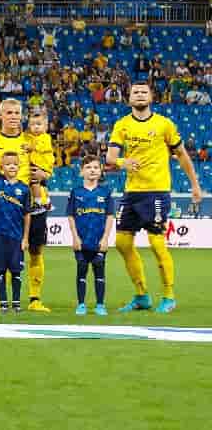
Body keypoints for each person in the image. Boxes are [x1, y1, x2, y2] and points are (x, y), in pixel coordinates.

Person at [107, 81, 202, 314]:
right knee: (122, 243)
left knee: (157, 244)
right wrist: (123, 162)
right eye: (135, 92)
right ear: (129, 98)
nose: (139, 95)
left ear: (151, 97)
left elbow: (182, 154)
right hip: (131, 192)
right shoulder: (122, 125)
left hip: (157, 191)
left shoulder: (164, 124)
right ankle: (142, 295)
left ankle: (169, 296)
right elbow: (110, 158)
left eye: (144, 92)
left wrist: (195, 184)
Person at [0, 99, 49, 312]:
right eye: (9, 113)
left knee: (35, 250)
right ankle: (3, 299)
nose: (14, 117)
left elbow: (46, 167)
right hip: (6, 210)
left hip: (32, 204)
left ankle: (35, 299)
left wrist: (44, 174)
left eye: (17, 113)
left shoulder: (31, 139)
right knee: (6, 254)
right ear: (1, 116)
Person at [67, 156, 116, 316]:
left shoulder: (105, 193)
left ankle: (100, 305)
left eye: (95, 167)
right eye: (88, 167)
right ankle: (81, 304)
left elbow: (109, 216)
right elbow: (71, 216)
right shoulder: (76, 192)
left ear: (100, 171)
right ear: (82, 171)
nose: (92, 170)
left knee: (99, 270)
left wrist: (105, 238)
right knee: (81, 270)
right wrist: (75, 237)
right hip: (81, 241)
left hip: (98, 241)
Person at [0, 151, 31, 313]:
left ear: (19, 166)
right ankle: (3, 302)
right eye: (8, 164)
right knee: (0, 271)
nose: (12, 166)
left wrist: (25, 238)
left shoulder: (24, 189)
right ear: (2, 167)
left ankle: (16, 303)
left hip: (16, 237)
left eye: (15, 164)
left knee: (16, 271)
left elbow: (27, 215)